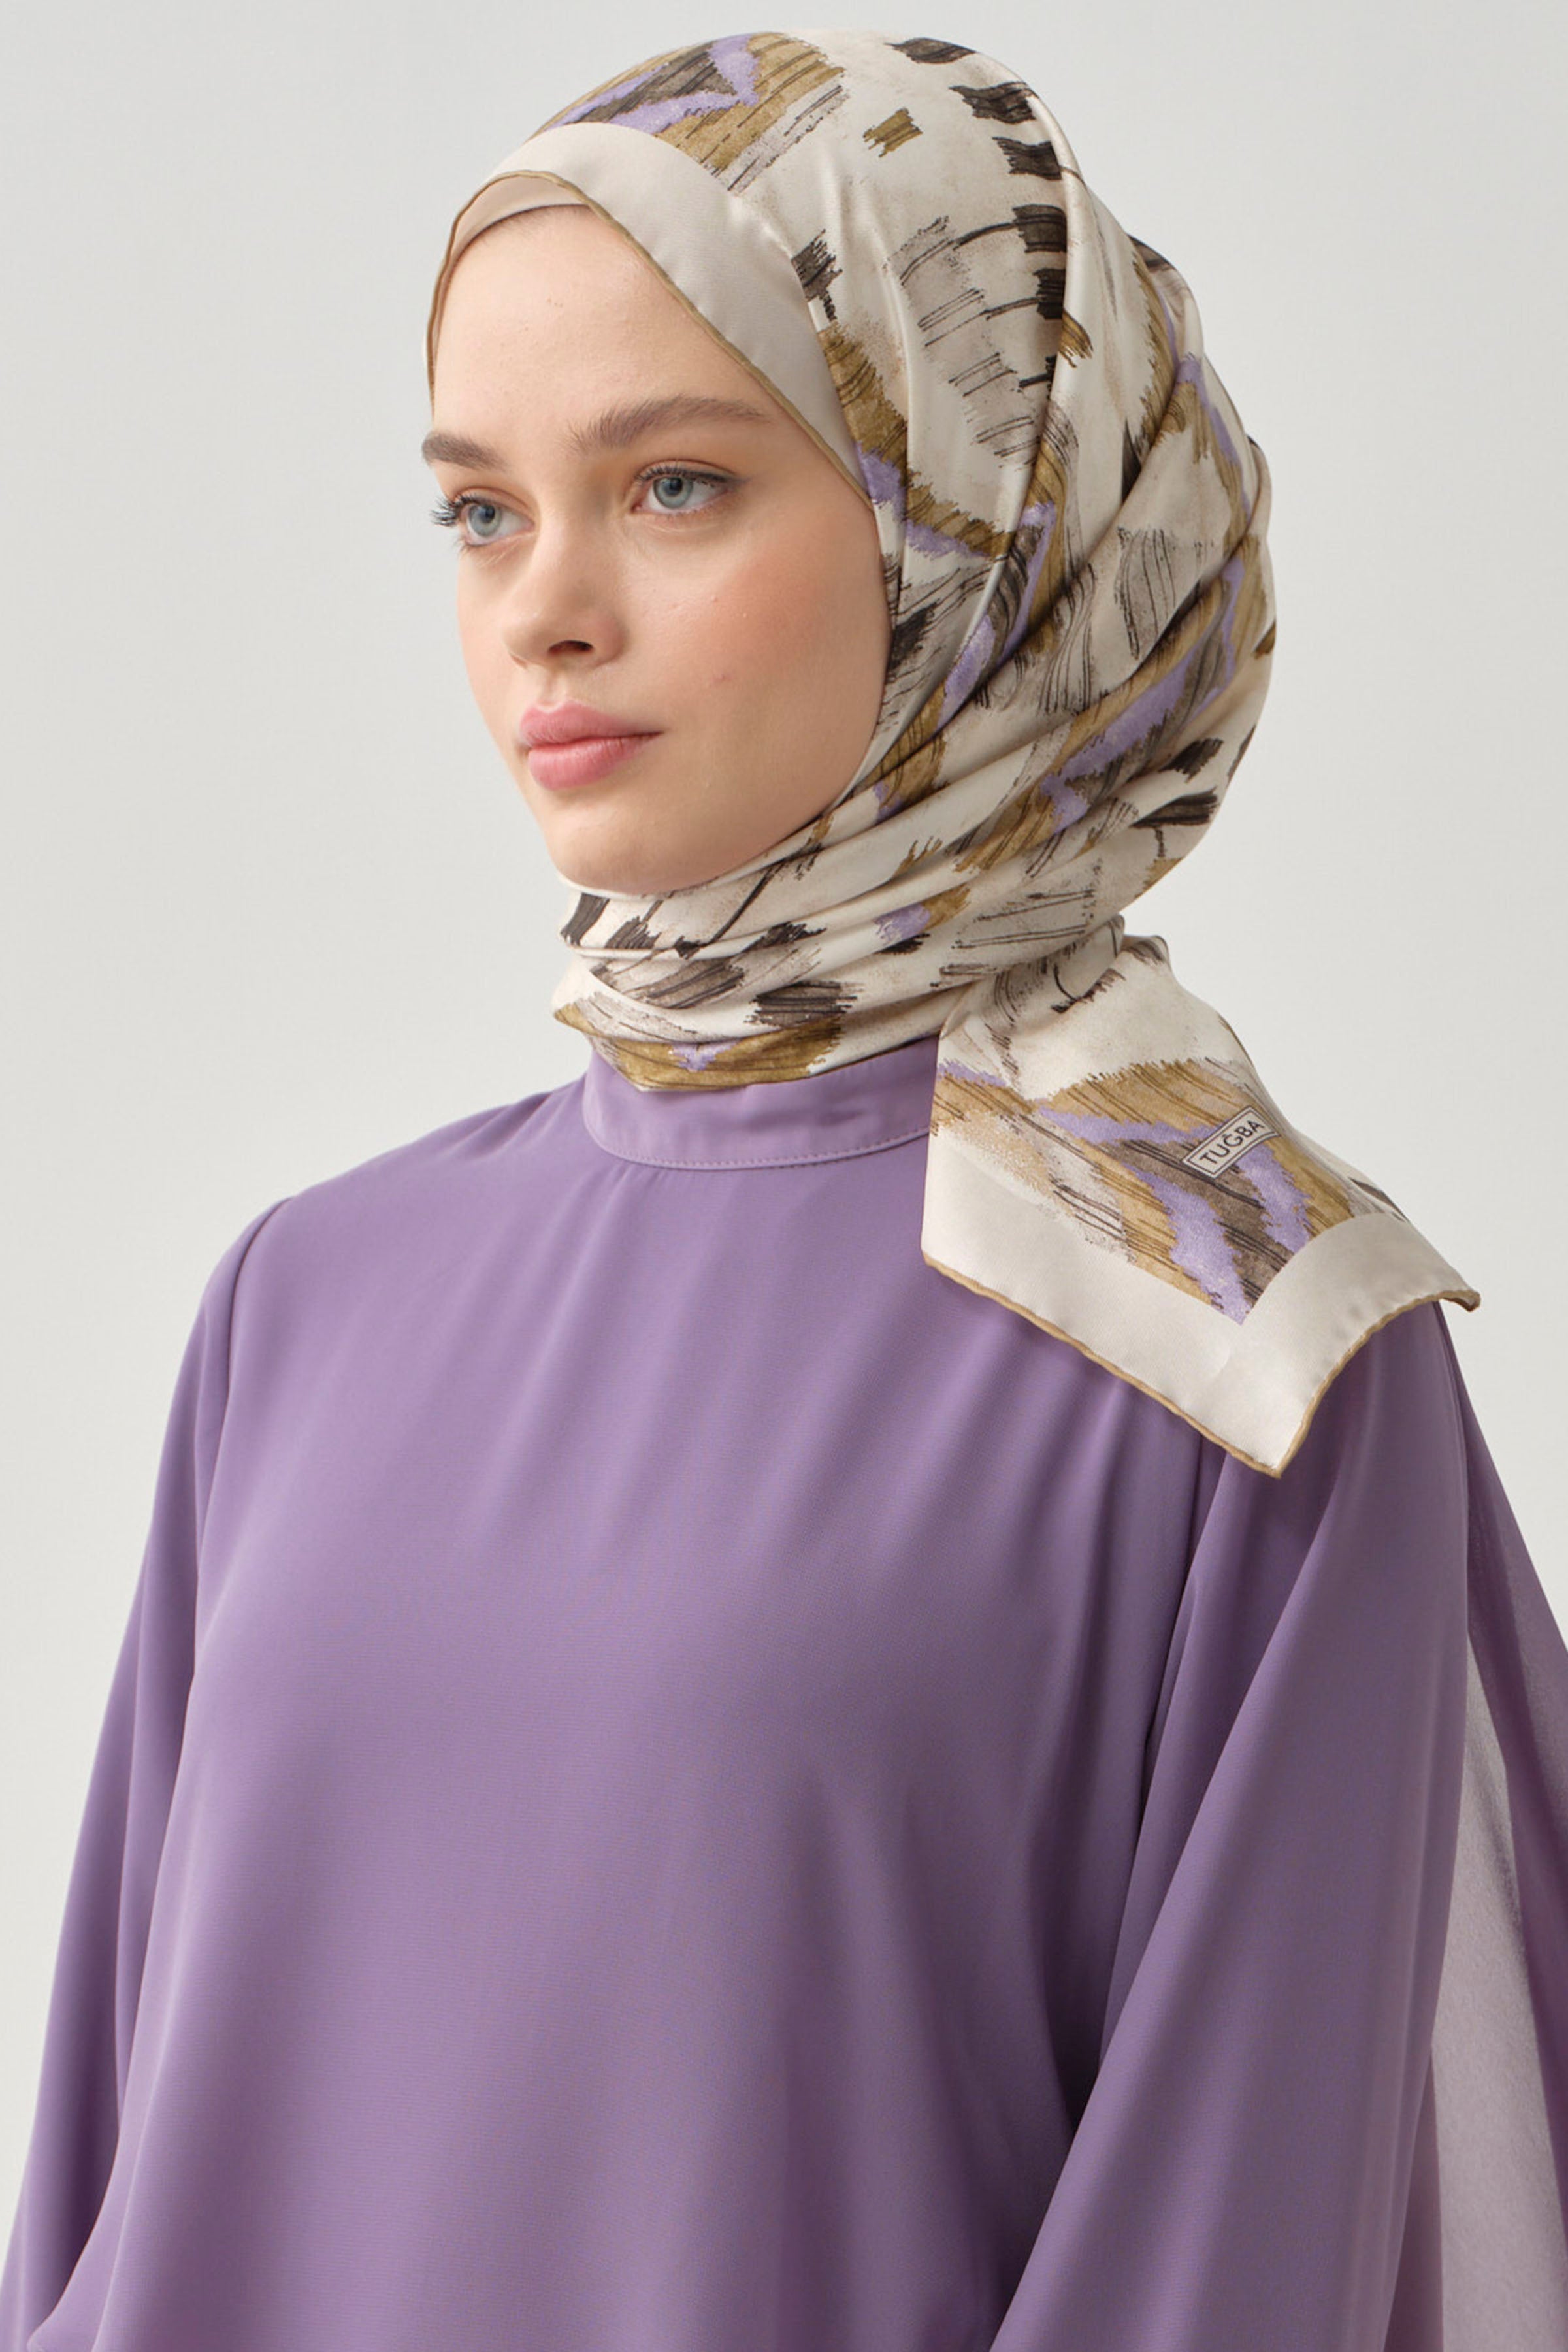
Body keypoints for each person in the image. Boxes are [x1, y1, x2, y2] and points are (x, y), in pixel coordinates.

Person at [3, 26, 1565, 2351]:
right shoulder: (303, 1304)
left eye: (675, 486)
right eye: (478, 510)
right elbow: (113, 2199)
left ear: (985, 524)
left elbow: (1234, 2262)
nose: (542, 609)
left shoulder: (1237, 1350)